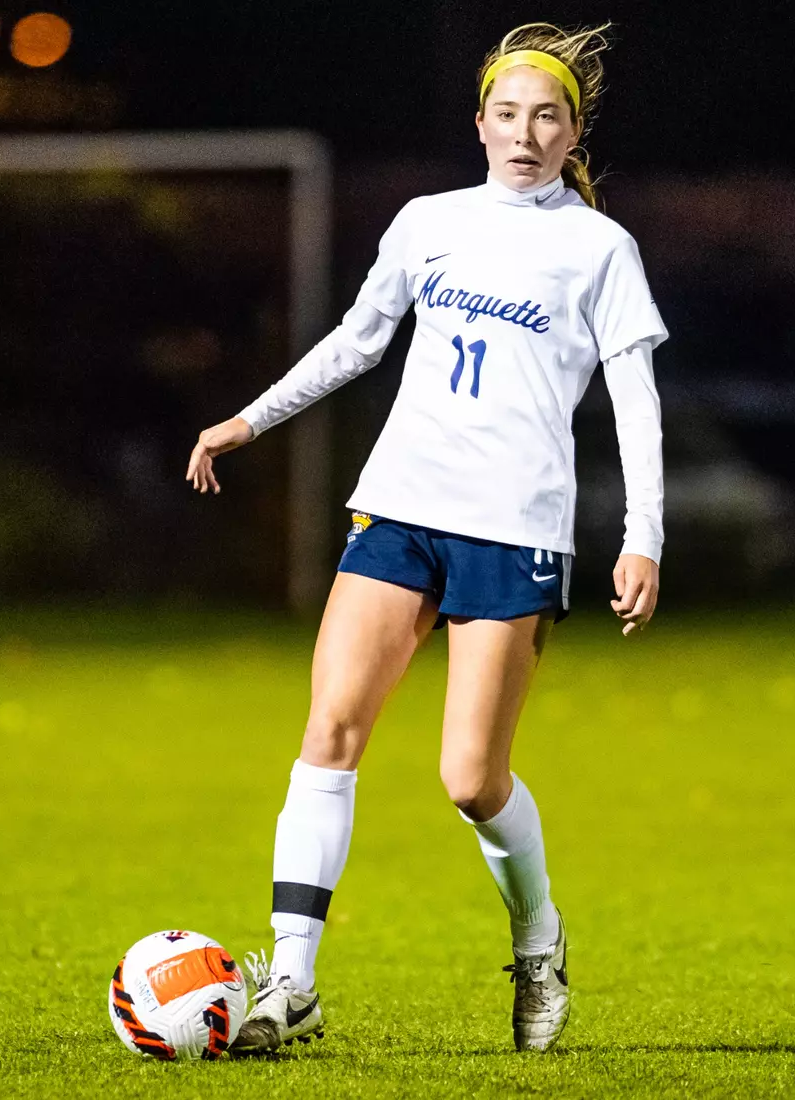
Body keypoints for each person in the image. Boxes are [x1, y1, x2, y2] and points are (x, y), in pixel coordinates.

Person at [186, 21, 667, 1055]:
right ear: (479, 123)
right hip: (399, 508)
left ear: (571, 130)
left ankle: (538, 938)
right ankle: (294, 981)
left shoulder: (597, 247)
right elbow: (357, 340)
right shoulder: (426, 222)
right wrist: (248, 418)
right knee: (330, 731)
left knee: (468, 778)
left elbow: (634, 397)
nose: (523, 133)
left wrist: (642, 537)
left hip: (514, 531)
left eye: (546, 116)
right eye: (506, 113)